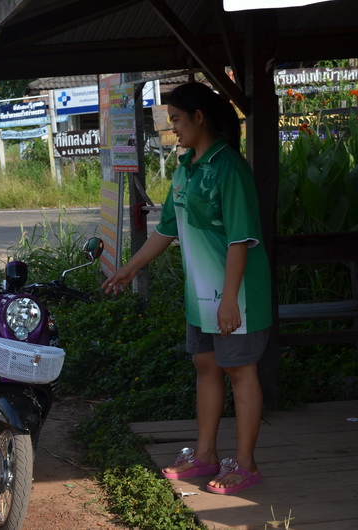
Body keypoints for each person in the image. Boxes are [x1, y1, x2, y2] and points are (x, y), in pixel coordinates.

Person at [102, 82, 271, 495]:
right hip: (201, 295)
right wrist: (129, 268)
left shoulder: (228, 168)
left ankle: (246, 464)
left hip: (237, 295)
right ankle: (205, 453)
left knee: (239, 371)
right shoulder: (186, 168)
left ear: (199, 117)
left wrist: (230, 299)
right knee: (206, 367)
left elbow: (239, 239)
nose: (172, 127)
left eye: (176, 119)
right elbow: (166, 230)